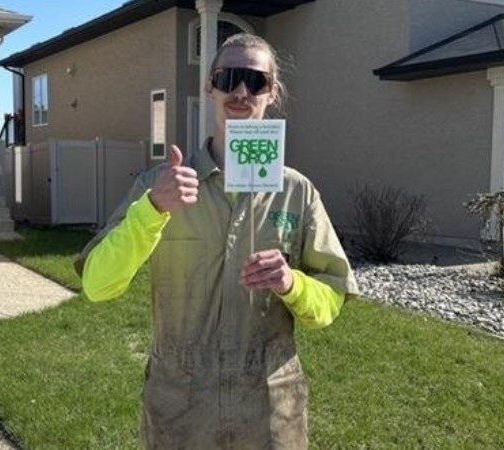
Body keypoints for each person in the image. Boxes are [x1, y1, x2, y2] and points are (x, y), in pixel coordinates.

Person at [73, 33, 359, 450]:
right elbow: (98, 286)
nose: (241, 91)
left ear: (272, 93)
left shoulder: (297, 192)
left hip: (269, 407)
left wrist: (292, 284)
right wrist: (152, 210)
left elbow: (330, 303)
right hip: (180, 407)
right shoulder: (159, 186)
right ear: (209, 87)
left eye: (255, 80)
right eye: (229, 78)